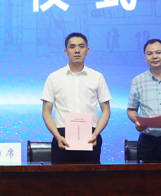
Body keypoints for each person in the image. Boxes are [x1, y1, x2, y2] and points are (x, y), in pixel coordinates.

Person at [42, 32, 111, 163]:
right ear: (66, 51)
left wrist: (96, 134)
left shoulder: (97, 77)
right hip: (62, 136)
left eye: (81, 46)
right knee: (60, 175)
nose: (77, 50)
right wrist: (57, 136)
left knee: (91, 175)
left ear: (87, 50)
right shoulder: (54, 78)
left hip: (91, 137)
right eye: (72, 47)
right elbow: (46, 112)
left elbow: (106, 110)